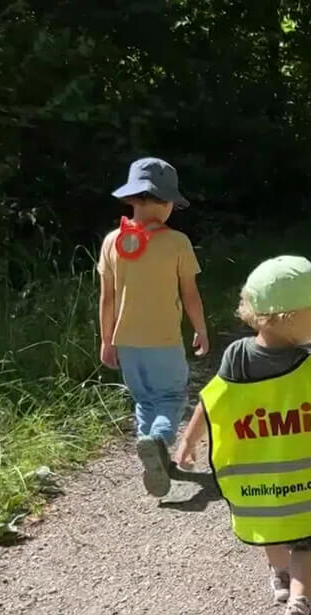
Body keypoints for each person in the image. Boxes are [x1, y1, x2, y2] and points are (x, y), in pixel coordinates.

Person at [172, 256, 311, 615]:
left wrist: (188, 441)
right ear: (290, 318)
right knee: (307, 544)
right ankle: (298, 607)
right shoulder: (308, 369)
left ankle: (279, 575)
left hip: (255, 484)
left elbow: (211, 402)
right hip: (303, 486)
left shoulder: (235, 357)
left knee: (270, 529)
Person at [98, 157, 208, 498]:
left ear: (132, 199)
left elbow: (107, 298)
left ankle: (154, 454)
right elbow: (190, 294)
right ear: (167, 203)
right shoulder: (177, 242)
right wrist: (201, 330)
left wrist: (106, 340)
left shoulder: (113, 241)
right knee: (172, 396)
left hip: (126, 342)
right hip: (163, 340)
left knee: (145, 399)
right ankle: (159, 441)